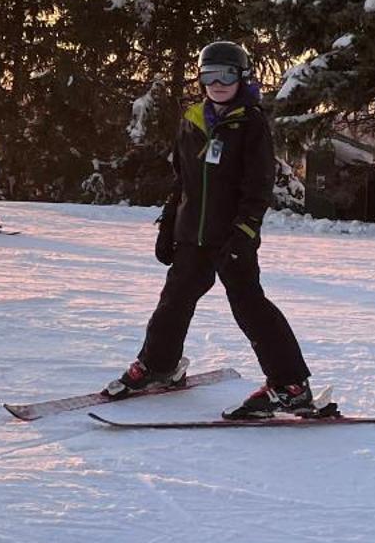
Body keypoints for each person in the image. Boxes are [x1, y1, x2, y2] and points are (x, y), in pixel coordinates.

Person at [111, 41, 312, 418]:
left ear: (243, 77)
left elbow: (258, 188)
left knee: (250, 306)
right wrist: (169, 225)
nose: (217, 84)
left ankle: (291, 385)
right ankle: (159, 366)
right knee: (174, 301)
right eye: (209, 75)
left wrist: (244, 234)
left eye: (227, 75)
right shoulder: (192, 119)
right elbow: (182, 181)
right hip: (192, 235)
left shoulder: (250, 123)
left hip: (231, 237)